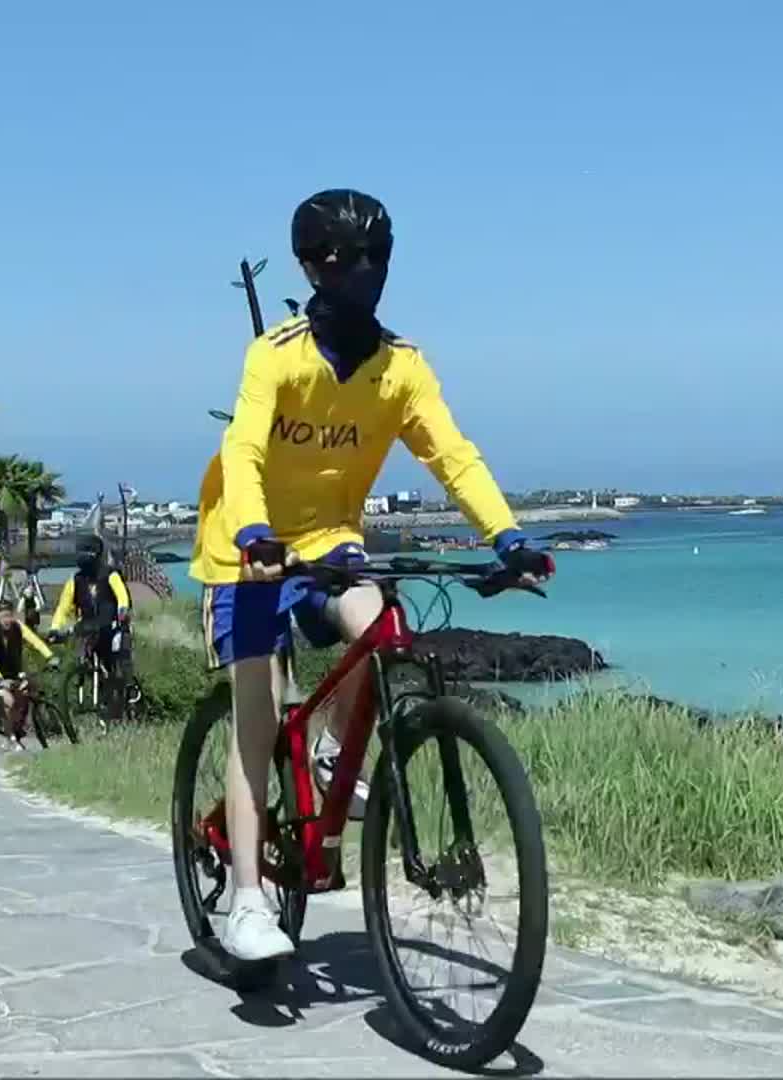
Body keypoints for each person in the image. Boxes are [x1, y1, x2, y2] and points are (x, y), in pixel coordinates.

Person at [188, 189, 553, 962]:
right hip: (246, 549)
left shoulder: (402, 369)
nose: (369, 272)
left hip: (331, 541)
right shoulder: (276, 356)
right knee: (258, 712)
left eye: (380, 257)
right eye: (353, 259)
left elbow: (452, 455)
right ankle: (248, 901)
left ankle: (327, 754)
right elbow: (247, 452)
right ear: (315, 267)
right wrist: (253, 534)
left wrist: (508, 536)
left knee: (385, 630)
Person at [49, 535, 138, 706]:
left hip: (112, 625)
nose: (82, 556)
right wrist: (55, 628)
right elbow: (63, 608)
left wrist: (122, 611)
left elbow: (122, 595)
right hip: (88, 627)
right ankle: (96, 693)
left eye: (87, 551)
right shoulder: (75, 581)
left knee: (119, 654)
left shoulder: (110, 574)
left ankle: (129, 686)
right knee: (83, 657)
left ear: (96, 554)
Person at [0, 600, 58, 750]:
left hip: (14, 673)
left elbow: (35, 641)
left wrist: (49, 656)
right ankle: (10, 737)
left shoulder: (18, 628)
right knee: (8, 701)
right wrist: (0, 679)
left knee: (26, 695)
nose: (7, 620)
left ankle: (17, 731)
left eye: (9, 615)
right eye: (3, 616)